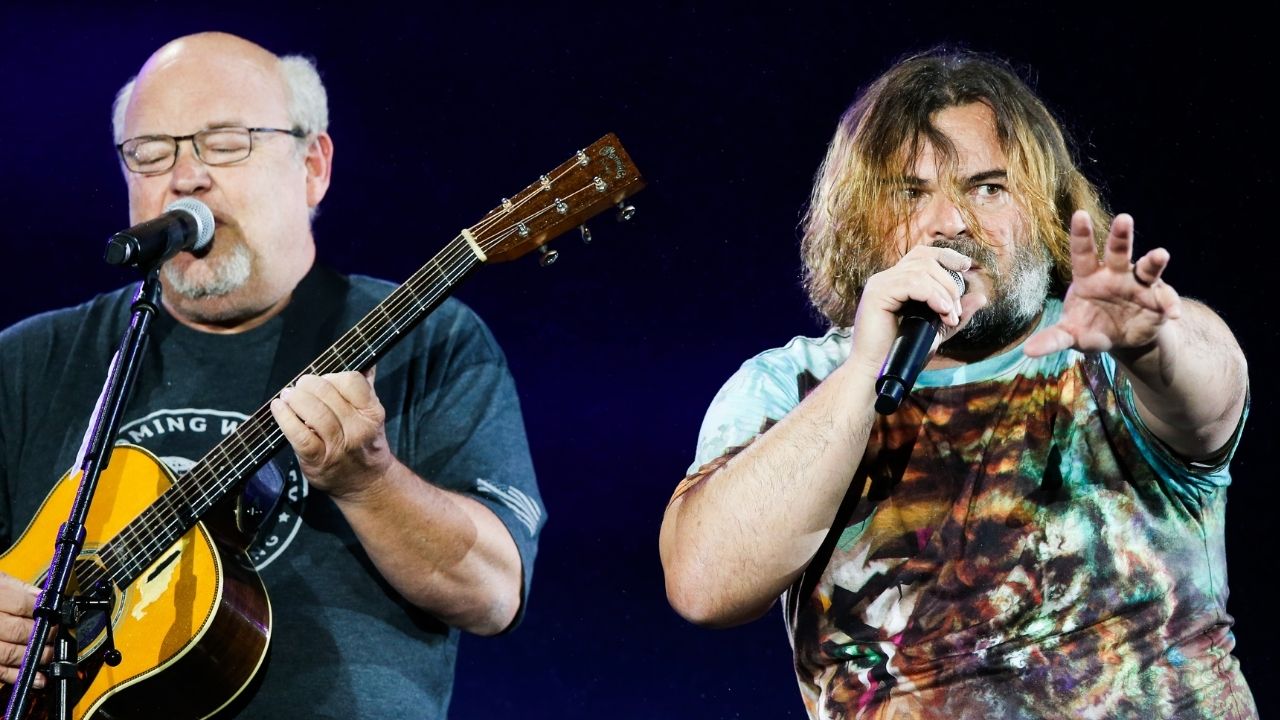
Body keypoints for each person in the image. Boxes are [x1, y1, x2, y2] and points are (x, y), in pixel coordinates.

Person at [659, 49, 1256, 719]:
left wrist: (1155, 340)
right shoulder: (791, 386)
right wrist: (865, 369)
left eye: (987, 188)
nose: (951, 223)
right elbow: (706, 586)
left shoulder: (1110, 350)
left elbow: (1212, 396)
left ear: (1042, 206)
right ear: (860, 220)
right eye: (911, 193)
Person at [0, 31, 544, 717]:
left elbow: (493, 594)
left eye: (224, 142)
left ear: (312, 165)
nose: (185, 176)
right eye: (150, 152)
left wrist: (367, 482)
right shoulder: (28, 361)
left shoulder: (432, 339)